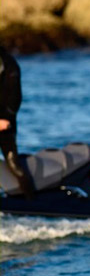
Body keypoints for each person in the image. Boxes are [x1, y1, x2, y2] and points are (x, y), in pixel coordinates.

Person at [0, 47, 35, 199]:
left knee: (13, 164)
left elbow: (15, 96)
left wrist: (6, 119)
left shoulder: (10, 65)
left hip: (5, 123)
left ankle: (31, 200)